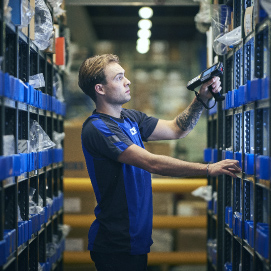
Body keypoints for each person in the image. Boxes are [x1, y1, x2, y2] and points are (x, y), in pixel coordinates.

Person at [78, 54, 241, 271]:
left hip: (136, 239)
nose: (127, 81)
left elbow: (177, 129)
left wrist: (202, 97)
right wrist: (208, 169)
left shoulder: (130, 118)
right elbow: (152, 163)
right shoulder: (97, 128)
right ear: (100, 89)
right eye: (118, 78)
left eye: (125, 76)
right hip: (115, 243)